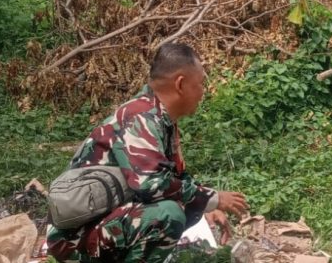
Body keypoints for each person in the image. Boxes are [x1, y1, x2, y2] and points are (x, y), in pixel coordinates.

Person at [47, 43, 248, 262]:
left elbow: (176, 180)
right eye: (200, 83)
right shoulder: (140, 118)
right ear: (180, 84)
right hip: (74, 238)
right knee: (167, 215)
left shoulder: (161, 120)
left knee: (184, 210)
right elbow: (152, 185)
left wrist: (204, 206)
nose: (203, 92)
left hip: (101, 224)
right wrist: (213, 198)